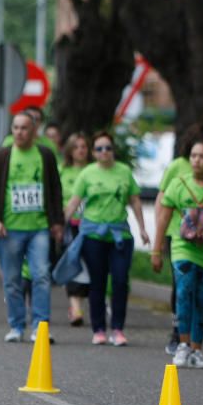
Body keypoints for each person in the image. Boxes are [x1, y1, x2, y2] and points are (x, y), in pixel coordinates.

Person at [0, 112, 64, 343]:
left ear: (34, 131)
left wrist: (57, 221)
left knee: (41, 275)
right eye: (16, 128)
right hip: (9, 228)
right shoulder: (3, 156)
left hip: (39, 227)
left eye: (24, 128)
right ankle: (16, 325)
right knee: (12, 279)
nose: (19, 132)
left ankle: (40, 325)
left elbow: (55, 188)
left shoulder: (45, 155)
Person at [63, 131, 149, 346]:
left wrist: (142, 228)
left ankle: (118, 328)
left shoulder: (124, 172)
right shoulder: (88, 174)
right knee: (98, 282)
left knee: (120, 281)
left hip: (120, 234)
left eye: (108, 148)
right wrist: (60, 226)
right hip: (93, 235)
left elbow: (136, 201)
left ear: (113, 151)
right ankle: (99, 328)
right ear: (94, 152)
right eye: (99, 149)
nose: (104, 152)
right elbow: (74, 202)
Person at [155, 124, 203, 355]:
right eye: (193, 156)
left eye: (202, 157)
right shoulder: (178, 184)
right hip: (181, 248)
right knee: (184, 291)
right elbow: (164, 219)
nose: (197, 160)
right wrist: (156, 251)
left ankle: (197, 347)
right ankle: (183, 343)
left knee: (201, 297)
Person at [59, 133, 91, 326]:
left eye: (84, 146)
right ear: (70, 150)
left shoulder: (94, 171)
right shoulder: (63, 171)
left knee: (92, 266)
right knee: (73, 262)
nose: (81, 150)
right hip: (71, 224)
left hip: (92, 225)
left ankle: (86, 302)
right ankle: (75, 306)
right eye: (77, 147)